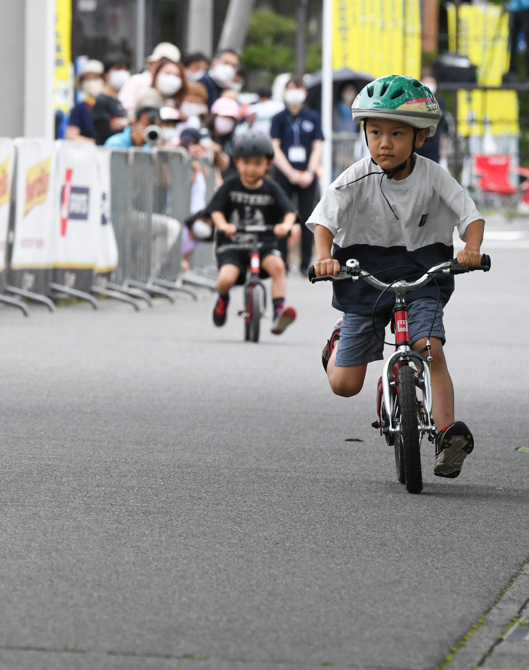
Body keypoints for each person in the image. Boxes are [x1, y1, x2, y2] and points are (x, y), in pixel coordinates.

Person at [309, 74, 484, 479]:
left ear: (420, 137)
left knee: (429, 348)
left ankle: (446, 435)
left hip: (422, 274)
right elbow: (324, 222)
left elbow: (469, 215)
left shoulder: (433, 175)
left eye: (397, 133)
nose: (384, 143)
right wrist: (323, 257)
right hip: (363, 275)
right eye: (375, 132)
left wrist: (471, 248)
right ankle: (339, 340)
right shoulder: (354, 177)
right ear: (364, 134)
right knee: (345, 384)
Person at [203, 130, 298, 335]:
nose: (251, 169)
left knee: (278, 267)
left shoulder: (271, 188)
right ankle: (222, 299)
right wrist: (223, 225)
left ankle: (279, 312)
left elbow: (289, 211)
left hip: (263, 244)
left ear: (267, 165)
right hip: (233, 245)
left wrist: (286, 225)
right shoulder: (230, 185)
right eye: (246, 163)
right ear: (237, 162)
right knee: (225, 280)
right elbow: (215, 210)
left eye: (257, 163)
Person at [270, 75, 325, 271]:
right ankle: (282, 261)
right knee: (283, 215)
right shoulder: (279, 118)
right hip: (285, 173)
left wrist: (309, 171)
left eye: (297, 88)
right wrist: (290, 172)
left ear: (304, 92)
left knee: (307, 216)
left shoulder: (312, 117)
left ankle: (304, 263)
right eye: (290, 88)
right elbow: (274, 147)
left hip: (307, 174)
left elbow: (317, 145)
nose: (294, 92)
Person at [118, 42, 180, 116]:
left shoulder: (172, 87)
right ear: (151, 63)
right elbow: (125, 109)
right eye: (162, 62)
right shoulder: (136, 81)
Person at [91, 56, 130, 145]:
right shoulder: (102, 101)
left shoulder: (117, 101)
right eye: (118, 69)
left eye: (125, 70)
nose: (122, 73)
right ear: (106, 74)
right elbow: (104, 131)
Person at [65, 59, 104, 142]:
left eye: (95, 78)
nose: (91, 82)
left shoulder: (112, 103)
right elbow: (71, 135)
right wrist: (95, 143)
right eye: (87, 79)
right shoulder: (80, 108)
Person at [416, 69, 446, 165]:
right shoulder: (416, 103)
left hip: (434, 148)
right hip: (418, 146)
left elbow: (441, 128)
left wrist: (442, 147)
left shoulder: (440, 103)